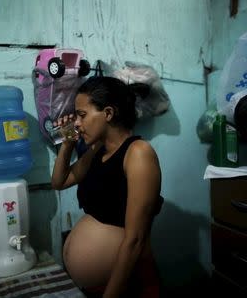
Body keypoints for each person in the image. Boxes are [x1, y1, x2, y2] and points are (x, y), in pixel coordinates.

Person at [51, 76, 163, 297]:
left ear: (108, 114)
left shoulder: (138, 153)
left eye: (82, 115)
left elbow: (135, 239)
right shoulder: (96, 151)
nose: (77, 123)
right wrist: (67, 144)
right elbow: (59, 182)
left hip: (125, 286)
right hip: (95, 286)